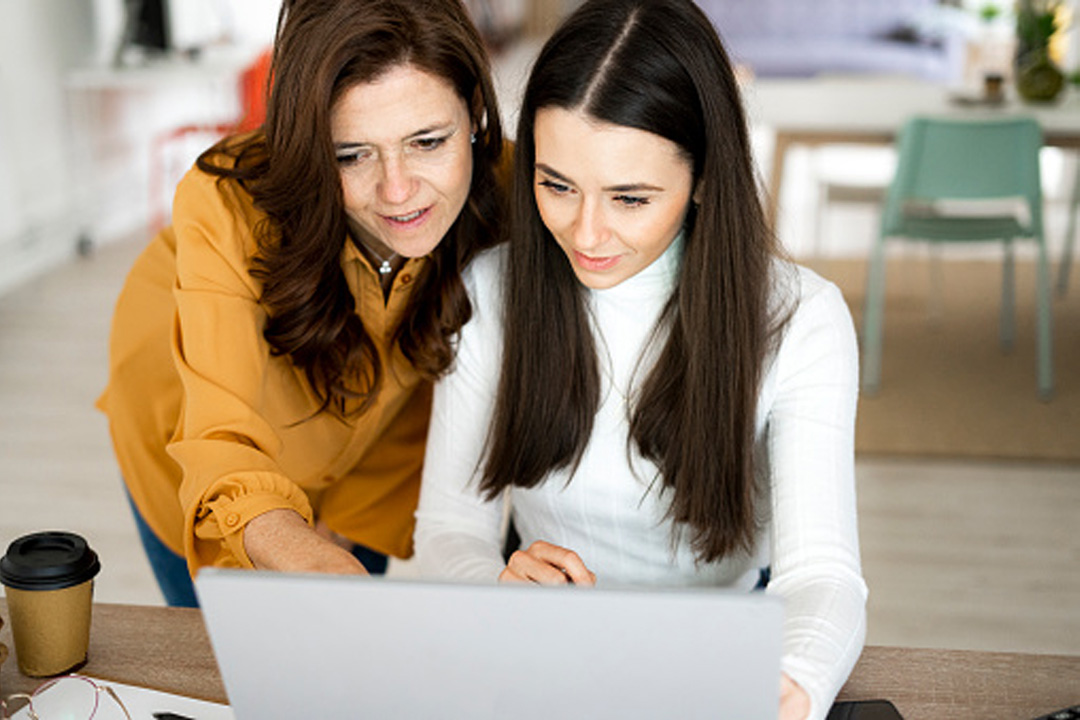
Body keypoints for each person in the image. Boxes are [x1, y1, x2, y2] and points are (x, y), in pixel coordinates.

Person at [413, 1, 866, 718]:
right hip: (540, 661)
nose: (585, 233)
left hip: (719, 655)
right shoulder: (490, 294)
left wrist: (794, 682)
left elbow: (824, 575)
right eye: (556, 185)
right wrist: (494, 583)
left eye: (630, 197)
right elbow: (447, 532)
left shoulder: (803, 320)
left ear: (705, 177)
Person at [96, 0, 506, 607]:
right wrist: (281, 538)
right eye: (350, 155)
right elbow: (220, 441)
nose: (398, 191)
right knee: (243, 682)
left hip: (370, 471)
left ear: (473, 112)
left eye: (427, 141)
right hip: (196, 453)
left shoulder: (520, 183)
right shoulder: (224, 205)